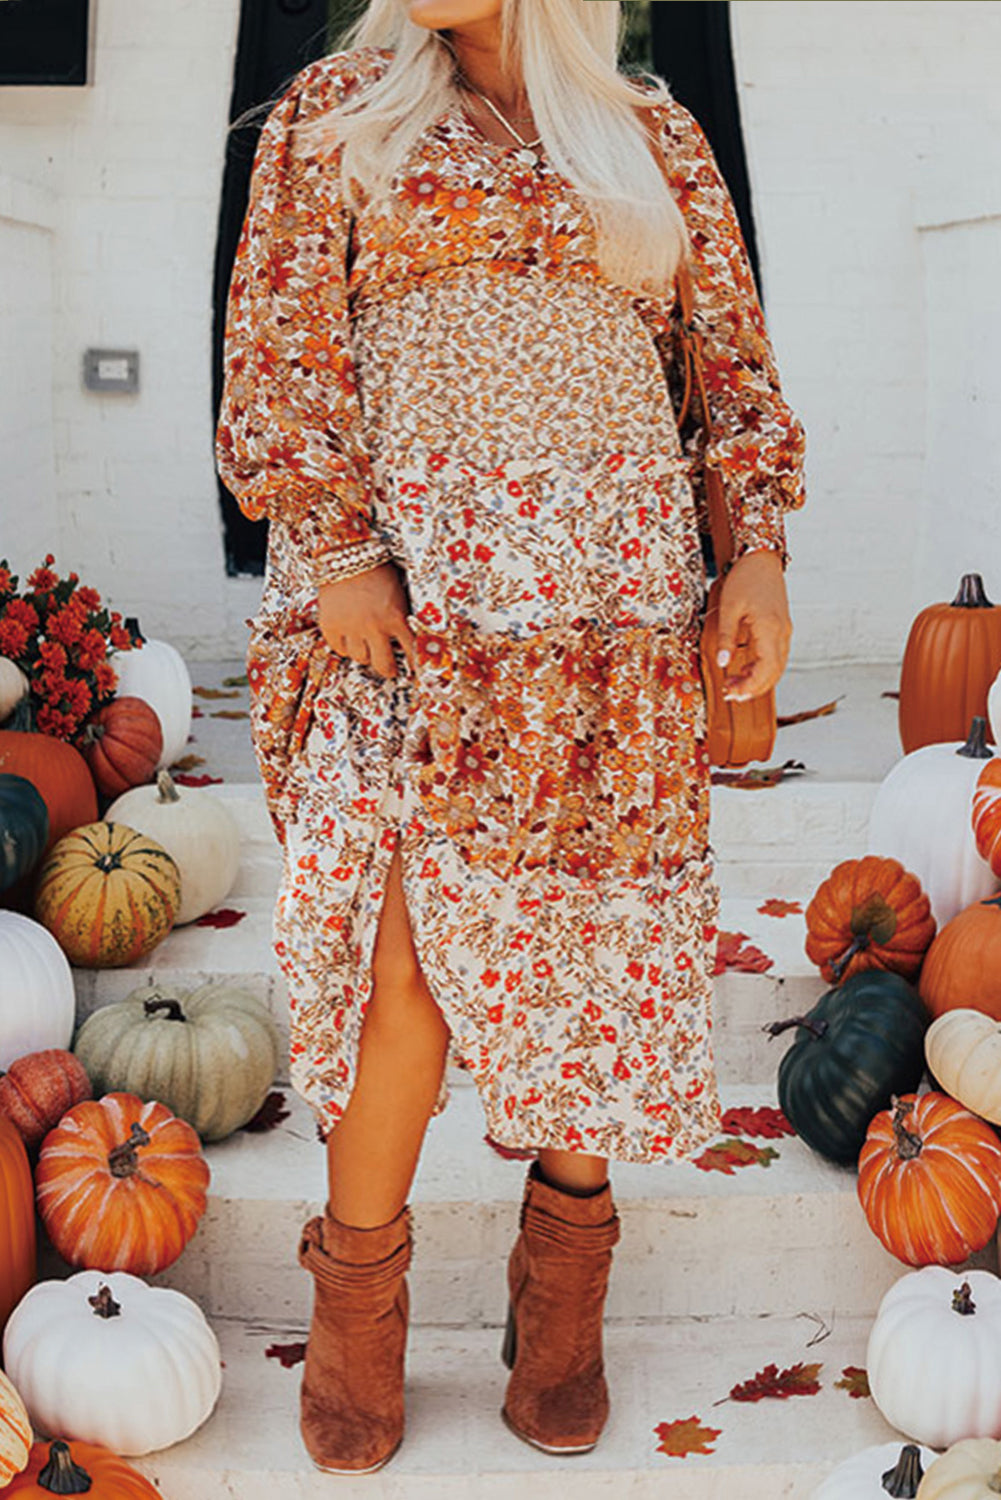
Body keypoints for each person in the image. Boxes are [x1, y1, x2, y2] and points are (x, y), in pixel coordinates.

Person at [215, 0, 806, 1476]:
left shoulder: (653, 131)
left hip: (612, 612)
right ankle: (357, 1307)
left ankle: (562, 1302)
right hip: (416, 602)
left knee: (590, 951)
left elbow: (727, 370)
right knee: (400, 963)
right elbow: (280, 348)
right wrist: (337, 548)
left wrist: (753, 551)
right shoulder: (337, 114)